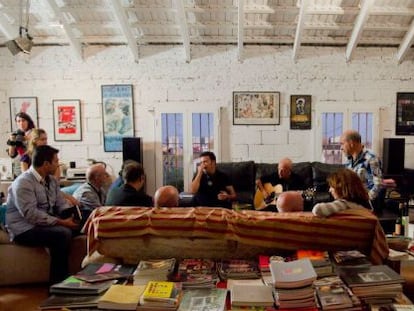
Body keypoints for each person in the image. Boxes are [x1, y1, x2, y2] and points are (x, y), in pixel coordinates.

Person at [5, 145, 79, 284]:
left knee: (81, 225)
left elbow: (60, 203)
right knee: (62, 234)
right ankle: (57, 284)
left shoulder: (51, 181)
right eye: (56, 161)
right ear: (46, 164)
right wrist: (62, 222)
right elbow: (31, 215)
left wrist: (72, 214)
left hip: (43, 222)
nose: (58, 164)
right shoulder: (23, 183)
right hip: (24, 228)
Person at [340, 130, 383, 207]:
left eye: (342, 144)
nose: (341, 148)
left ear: (351, 143)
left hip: (366, 203)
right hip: (352, 201)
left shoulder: (371, 158)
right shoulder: (348, 161)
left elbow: (378, 184)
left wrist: (367, 200)